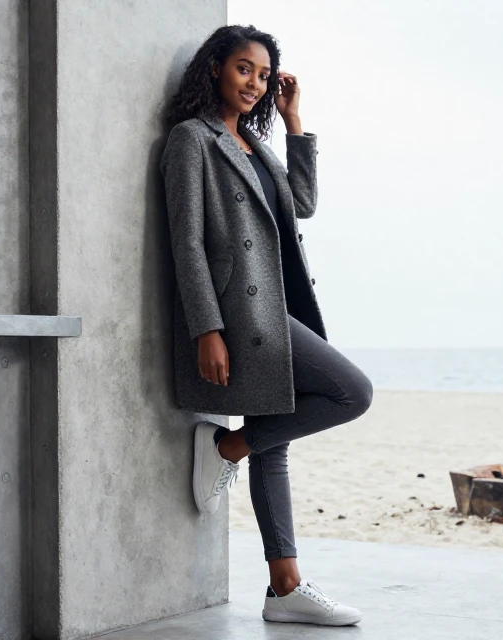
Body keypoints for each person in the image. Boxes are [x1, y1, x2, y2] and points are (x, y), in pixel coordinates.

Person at [160, 24, 374, 627]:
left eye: (262, 73)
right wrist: (207, 328)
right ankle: (227, 447)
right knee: (352, 392)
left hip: (278, 309)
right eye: (243, 69)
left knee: (273, 440)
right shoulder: (191, 141)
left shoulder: (258, 146)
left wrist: (295, 120)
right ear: (214, 71)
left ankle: (284, 589)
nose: (254, 82)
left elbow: (302, 203)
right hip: (238, 314)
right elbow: (188, 244)